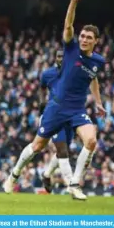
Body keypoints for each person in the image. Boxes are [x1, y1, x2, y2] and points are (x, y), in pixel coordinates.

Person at [4, 0, 106, 200]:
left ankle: (75, 184)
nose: (84, 39)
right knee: (37, 146)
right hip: (56, 108)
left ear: (96, 41)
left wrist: (98, 102)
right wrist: (73, 2)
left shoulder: (98, 61)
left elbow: (93, 78)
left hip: (76, 109)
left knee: (91, 140)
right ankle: (13, 175)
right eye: (83, 36)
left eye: (89, 37)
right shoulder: (70, 49)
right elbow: (68, 26)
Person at [39, 50, 75, 191]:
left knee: (62, 151)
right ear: (55, 58)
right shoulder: (47, 74)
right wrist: (43, 105)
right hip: (54, 115)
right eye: (58, 56)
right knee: (62, 149)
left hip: (70, 114)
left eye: (63, 56)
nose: (61, 58)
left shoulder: (73, 72)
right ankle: (72, 185)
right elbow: (42, 89)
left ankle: (47, 174)